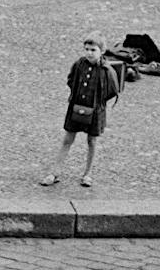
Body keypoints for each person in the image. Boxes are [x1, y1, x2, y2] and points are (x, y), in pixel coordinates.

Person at [40, 35, 123, 188]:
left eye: (93, 50)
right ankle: (55, 172)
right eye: (87, 49)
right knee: (67, 140)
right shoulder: (79, 64)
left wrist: (98, 102)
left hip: (96, 110)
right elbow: (71, 80)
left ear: (102, 51)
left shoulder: (106, 70)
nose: (89, 53)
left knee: (92, 141)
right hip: (76, 106)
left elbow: (113, 90)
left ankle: (87, 174)